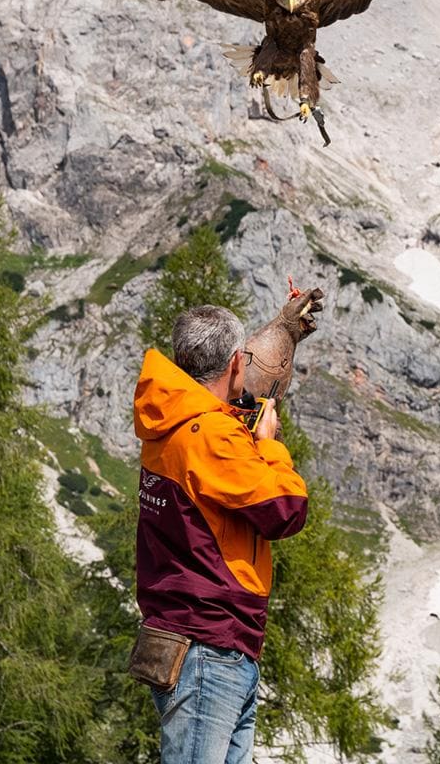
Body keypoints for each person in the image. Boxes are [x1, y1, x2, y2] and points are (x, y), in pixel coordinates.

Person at [134, 304, 308, 764]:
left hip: (196, 642)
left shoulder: (170, 424)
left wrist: (284, 336)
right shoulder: (211, 436)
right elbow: (286, 511)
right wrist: (269, 446)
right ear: (234, 363)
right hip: (210, 645)